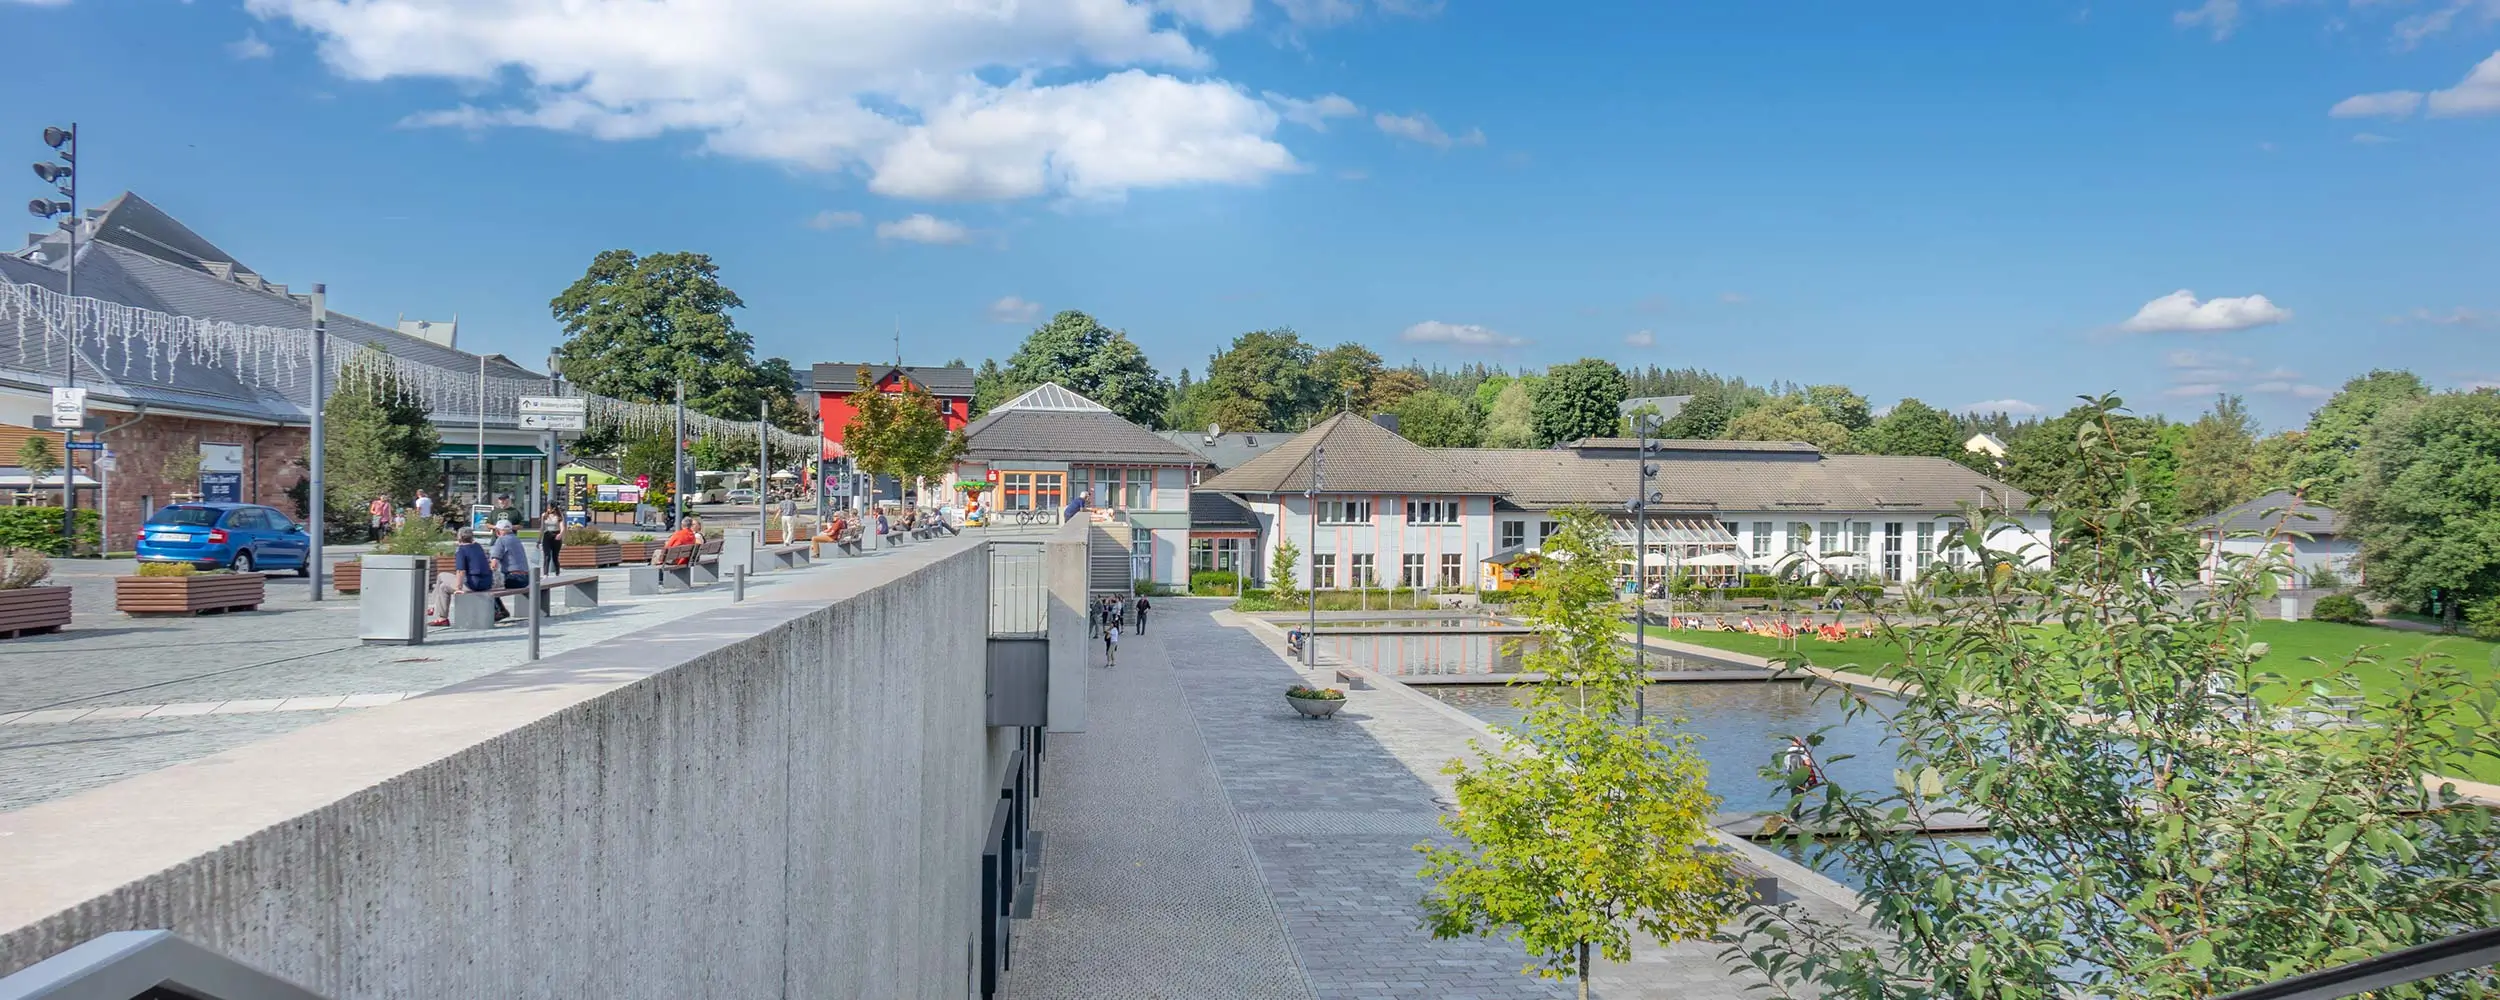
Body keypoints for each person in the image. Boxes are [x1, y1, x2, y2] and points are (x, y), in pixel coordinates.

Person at [428, 528, 495, 627]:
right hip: (486, 582)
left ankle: (442, 617)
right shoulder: (477, 546)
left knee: (443, 587)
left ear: (459, 537)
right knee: (441, 575)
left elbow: (460, 571)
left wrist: (458, 588)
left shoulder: (461, 550)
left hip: (473, 584)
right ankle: (433, 606)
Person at [488, 520, 531, 619]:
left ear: (499, 531)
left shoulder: (501, 540)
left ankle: (499, 611)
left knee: (486, 585)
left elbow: (494, 564)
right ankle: (501, 610)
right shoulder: (516, 539)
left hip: (514, 578)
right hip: (526, 578)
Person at [539, 504, 565, 573]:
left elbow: (562, 527)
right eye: (547, 508)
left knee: (555, 557)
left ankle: (557, 573)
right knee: (547, 556)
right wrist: (538, 540)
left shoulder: (559, 516)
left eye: (550, 508)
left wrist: (560, 534)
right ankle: (545, 574)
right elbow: (542, 528)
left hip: (556, 536)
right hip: (547, 535)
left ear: (554, 508)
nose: (548, 510)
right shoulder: (544, 515)